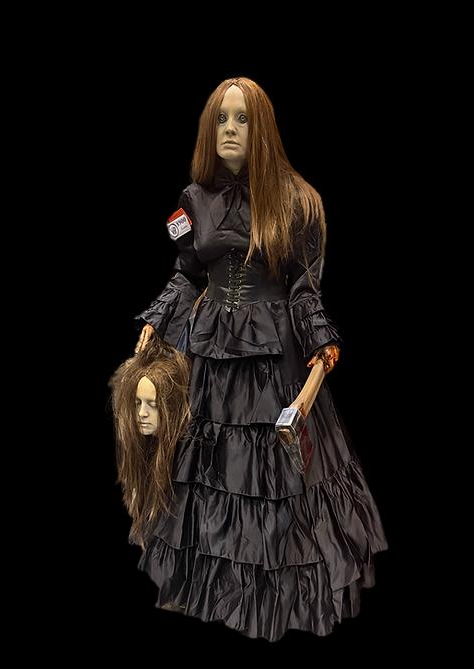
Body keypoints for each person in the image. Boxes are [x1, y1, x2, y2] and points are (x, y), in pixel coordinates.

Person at [131, 77, 387, 641]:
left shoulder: (297, 200)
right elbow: (187, 273)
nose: (229, 129)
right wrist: (157, 319)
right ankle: (206, 589)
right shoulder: (192, 201)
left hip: (274, 362)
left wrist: (318, 348)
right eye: (221, 118)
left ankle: (273, 598)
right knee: (208, 473)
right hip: (212, 358)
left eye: (242, 119)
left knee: (274, 478)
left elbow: (302, 287)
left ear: (263, 128)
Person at [110, 336, 191, 549]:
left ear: (169, 407)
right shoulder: (141, 455)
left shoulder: (186, 468)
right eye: (138, 403)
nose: (142, 414)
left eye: (152, 405)